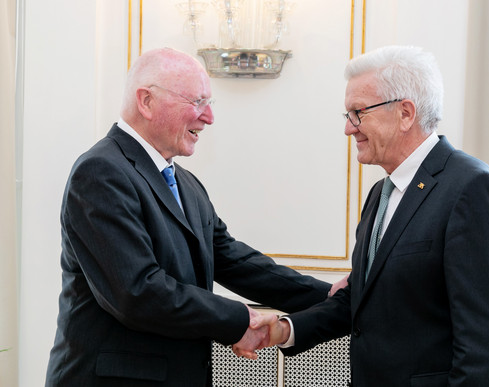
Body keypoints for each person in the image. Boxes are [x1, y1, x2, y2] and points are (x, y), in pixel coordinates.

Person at [45, 47, 343, 386]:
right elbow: (138, 292)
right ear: (146, 101)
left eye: (209, 104)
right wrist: (238, 320)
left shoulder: (184, 181)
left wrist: (329, 296)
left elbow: (231, 259)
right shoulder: (100, 172)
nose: (209, 118)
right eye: (197, 102)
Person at [239, 45, 489, 386]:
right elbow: (361, 298)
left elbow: (487, 347)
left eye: (358, 112)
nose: (349, 128)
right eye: (348, 115)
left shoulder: (473, 190)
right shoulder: (380, 194)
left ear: (405, 113)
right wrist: (285, 329)